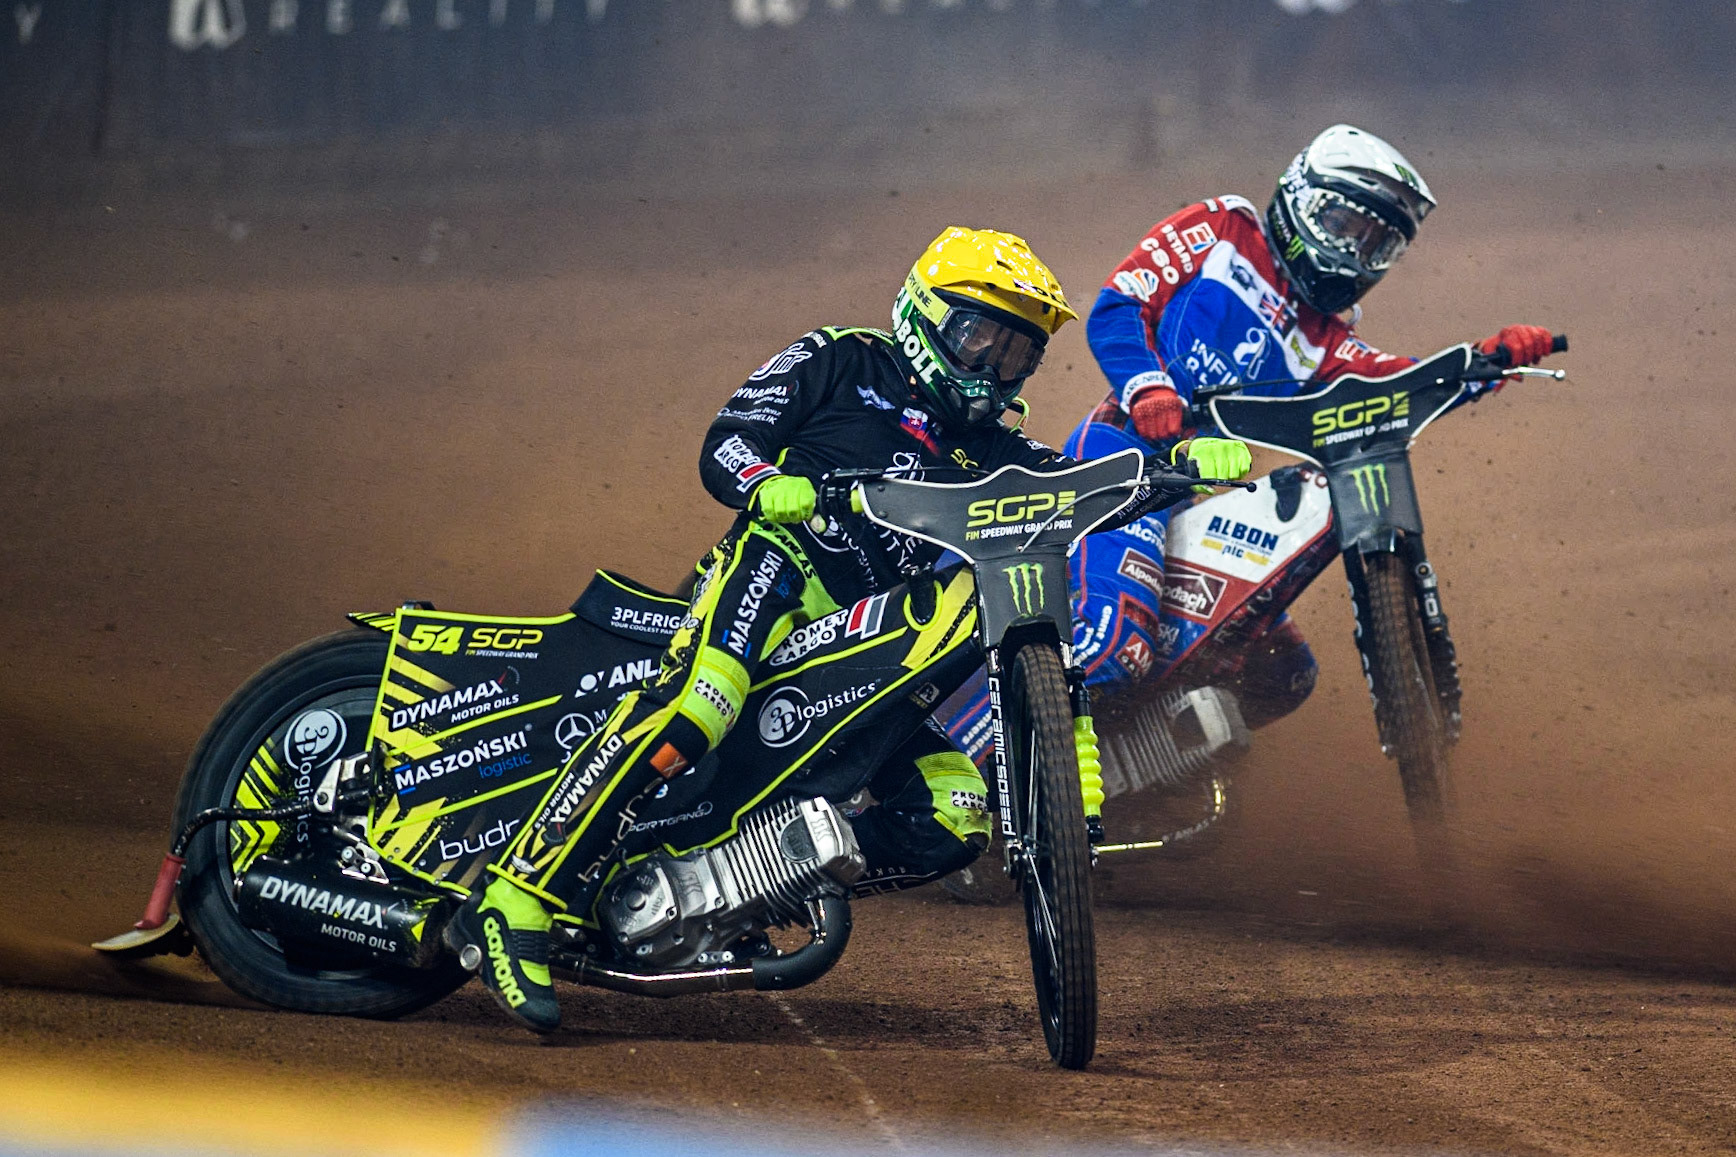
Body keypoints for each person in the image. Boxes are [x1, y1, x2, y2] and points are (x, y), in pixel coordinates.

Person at [443, 225, 1253, 1032]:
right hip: (778, 570)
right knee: (704, 705)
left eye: (1014, 355)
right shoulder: (845, 356)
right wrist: (770, 482)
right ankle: (516, 894)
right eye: (978, 338)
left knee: (957, 807)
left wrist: (1178, 469)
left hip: (859, 643)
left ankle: (749, 878)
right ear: (924, 314)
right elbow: (728, 440)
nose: (990, 369)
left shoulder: (993, 447)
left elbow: (1078, 486)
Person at [943, 124, 1558, 778]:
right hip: (1122, 462)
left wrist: (1481, 363)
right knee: (1110, 650)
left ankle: (1130, 776)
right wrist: (1150, 387)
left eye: (1377, 242)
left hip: (1204, 492)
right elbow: (1119, 305)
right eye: (1346, 225)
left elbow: (1386, 388)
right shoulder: (1222, 228)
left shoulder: (1327, 339)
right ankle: (954, 767)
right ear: (1300, 198)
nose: (1355, 251)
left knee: (1287, 674)